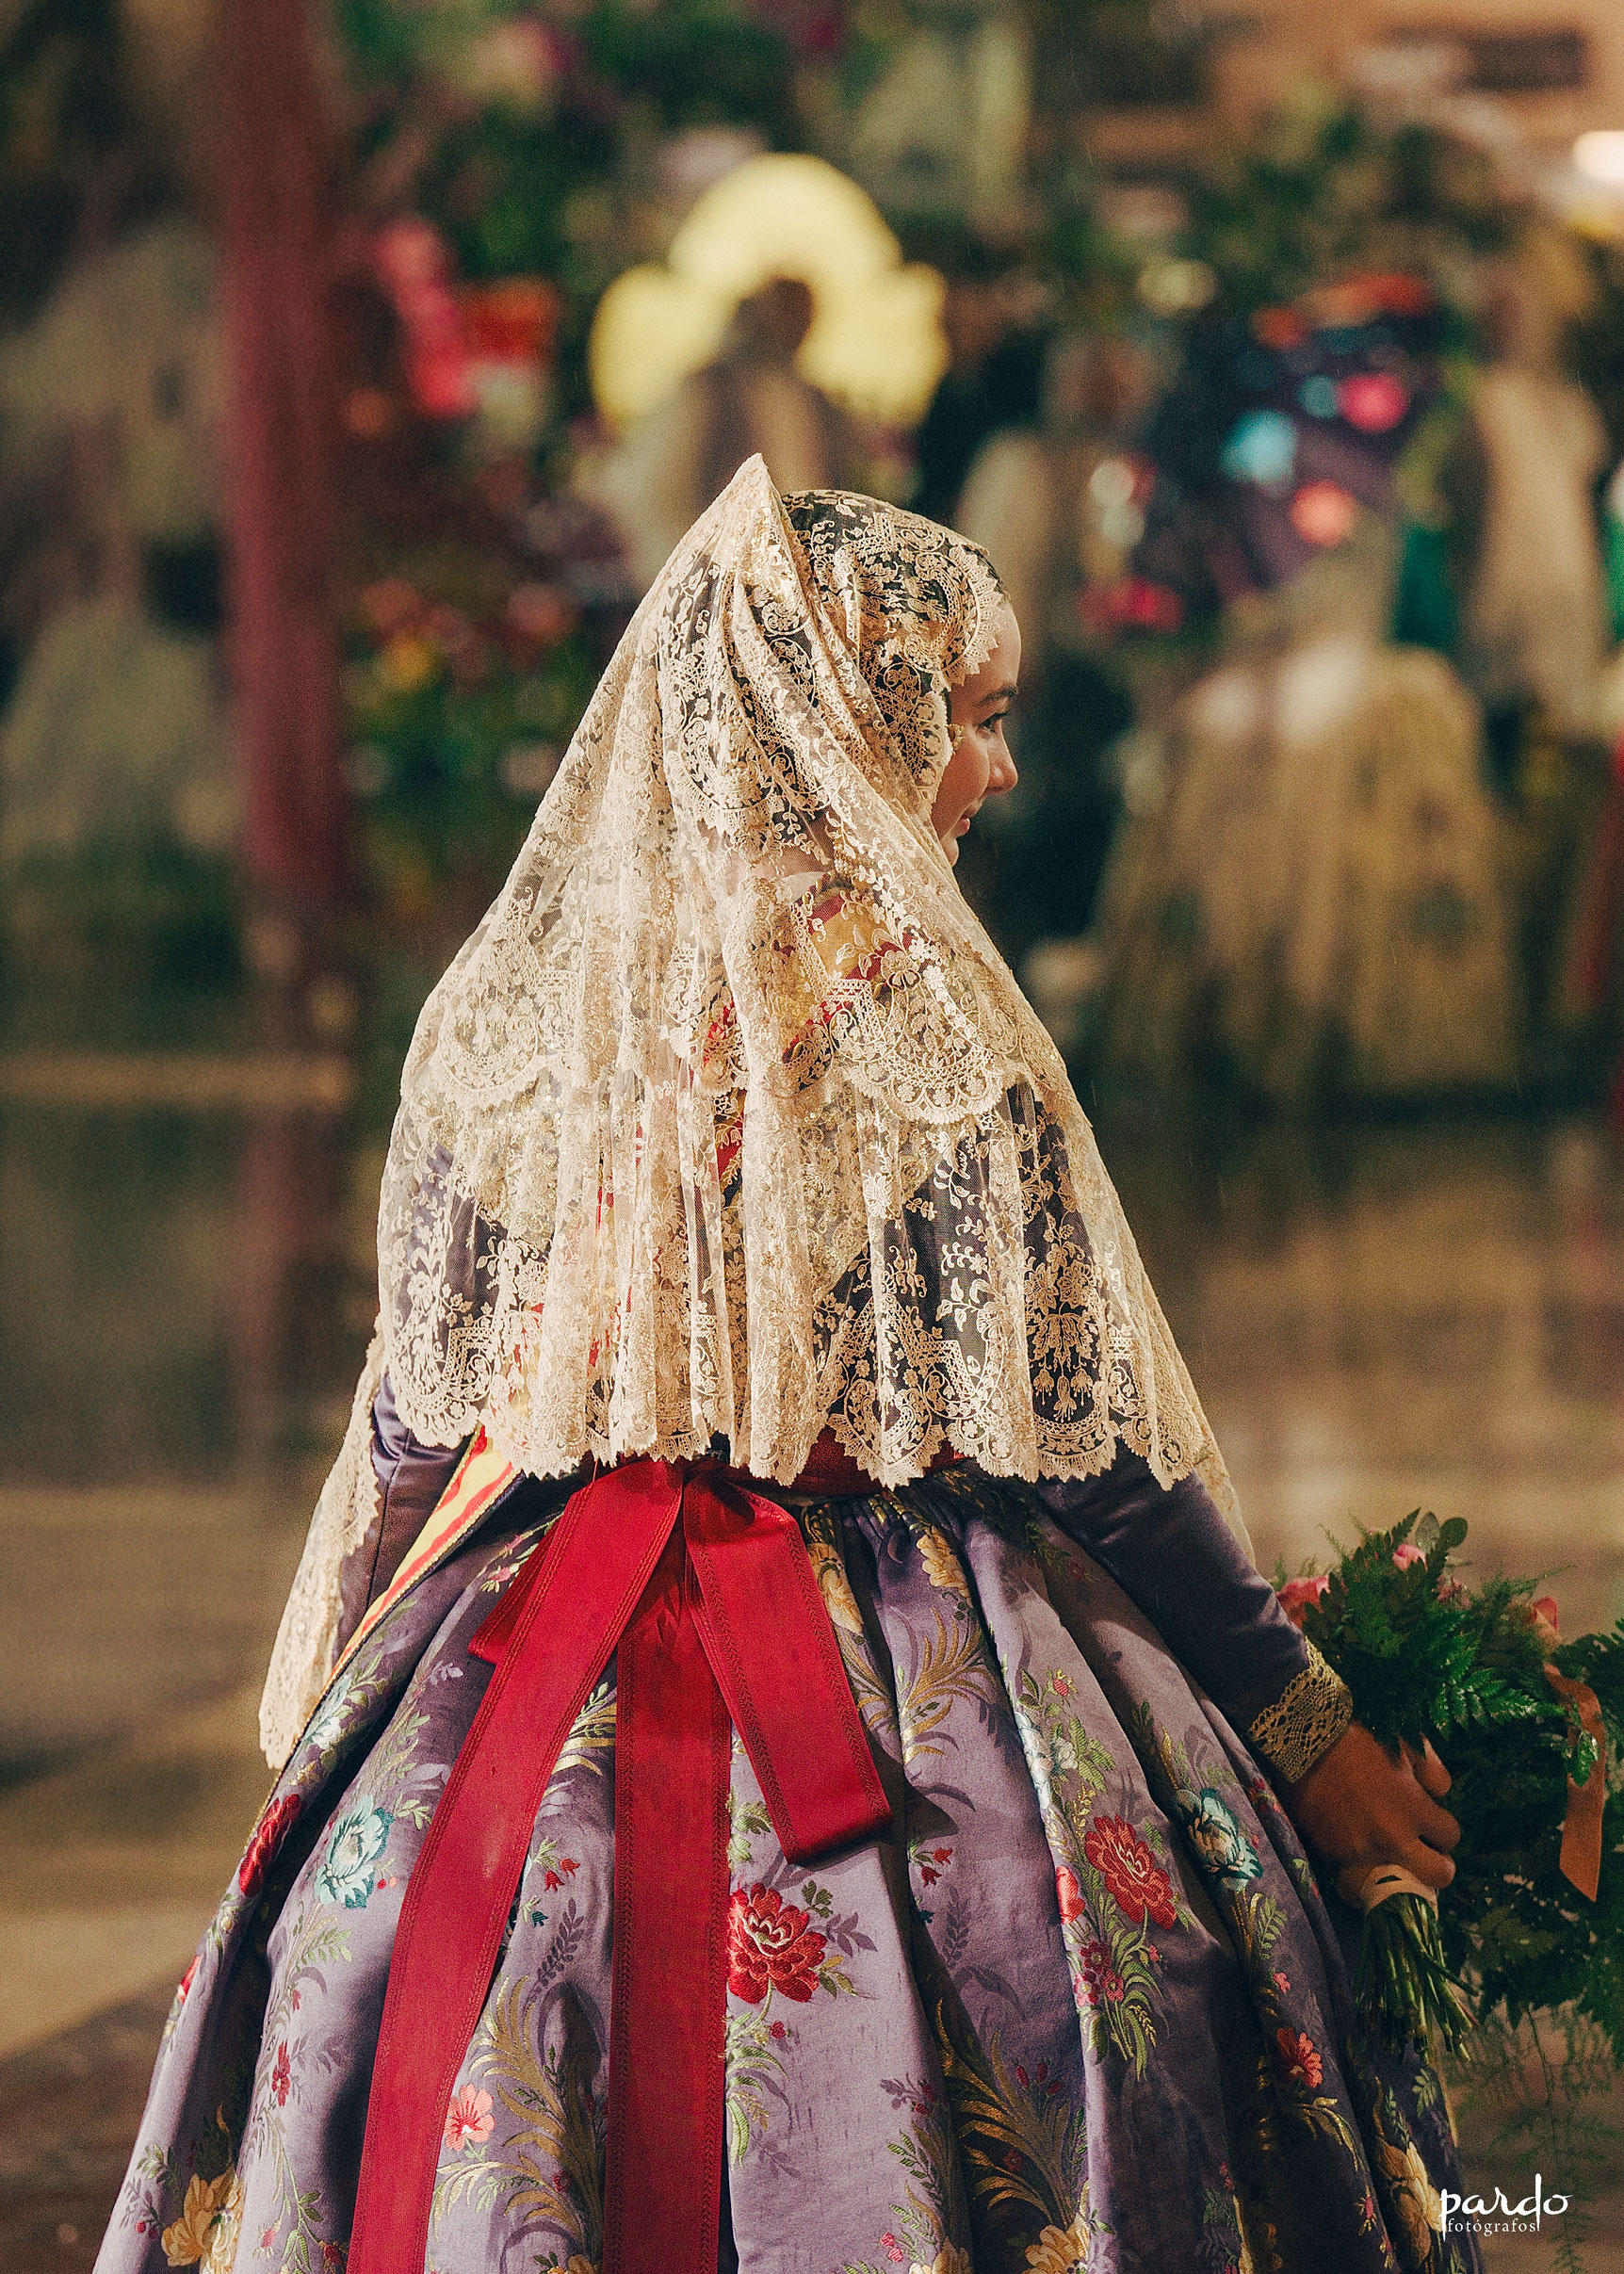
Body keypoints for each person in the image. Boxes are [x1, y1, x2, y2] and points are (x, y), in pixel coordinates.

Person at [98, 460, 1474, 2274]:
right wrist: (1305, 1730)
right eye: (969, 716)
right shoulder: (931, 1033)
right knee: (1059, 1983)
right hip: (913, 1651)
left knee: (429, 1986)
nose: (993, 771)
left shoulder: (517, 1018)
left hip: (534, 1649)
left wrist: (339, 1718)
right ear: (845, 721)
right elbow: (1087, 1449)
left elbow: (420, 1413)